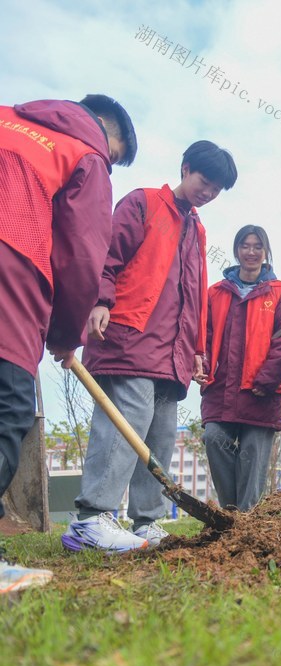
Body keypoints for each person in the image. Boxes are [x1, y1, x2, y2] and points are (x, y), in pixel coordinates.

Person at [63, 140, 237, 553]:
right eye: (204, 181)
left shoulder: (196, 229)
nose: (207, 193)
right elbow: (106, 255)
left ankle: (147, 522)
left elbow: (194, 295)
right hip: (128, 337)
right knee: (124, 426)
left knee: (159, 437)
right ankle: (91, 517)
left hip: (171, 355)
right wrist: (101, 301)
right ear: (184, 167)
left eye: (216, 190)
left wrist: (197, 349)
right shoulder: (143, 203)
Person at [0, 94, 136, 588]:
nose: (111, 165)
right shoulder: (86, 150)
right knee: (7, 408)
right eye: (116, 156)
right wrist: (64, 334)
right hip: (11, 258)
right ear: (107, 129)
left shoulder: (6, 117)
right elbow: (83, 253)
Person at [201, 226, 281, 511]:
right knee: (214, 438)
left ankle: (247, 517)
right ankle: (231, 513)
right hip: (221, 389)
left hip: (261, 392)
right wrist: (202, 367)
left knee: (252, 455)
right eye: (245, 245)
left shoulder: (279, 293)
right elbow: (203, 337)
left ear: (265, 251)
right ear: (236, 250)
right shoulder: (215, 293)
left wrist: (266, 380)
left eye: (257, 246)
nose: (251, 252)